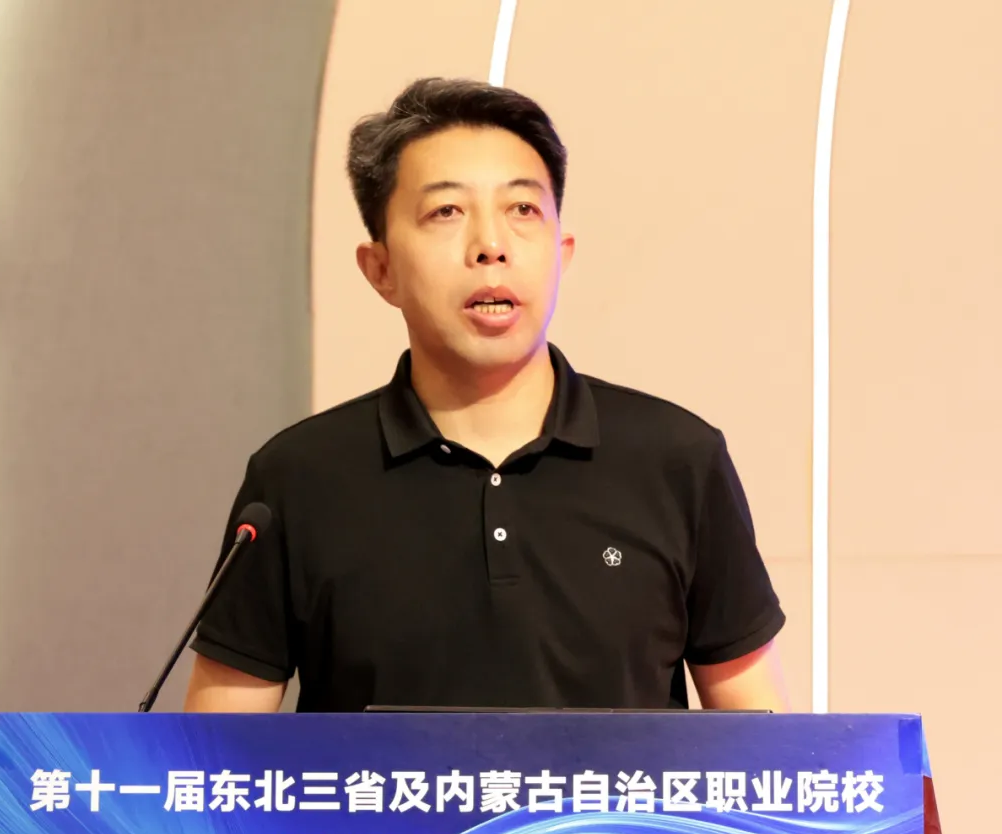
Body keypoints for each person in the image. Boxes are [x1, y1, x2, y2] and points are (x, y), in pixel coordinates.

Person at [183, 77, 790, 716]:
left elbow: (761, 736)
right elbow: (217, 751)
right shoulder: (296, 480)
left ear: (561, 253)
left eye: (522, 209)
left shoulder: (677, 460)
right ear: (380, 269)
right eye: (446, 212)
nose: (491, 247)